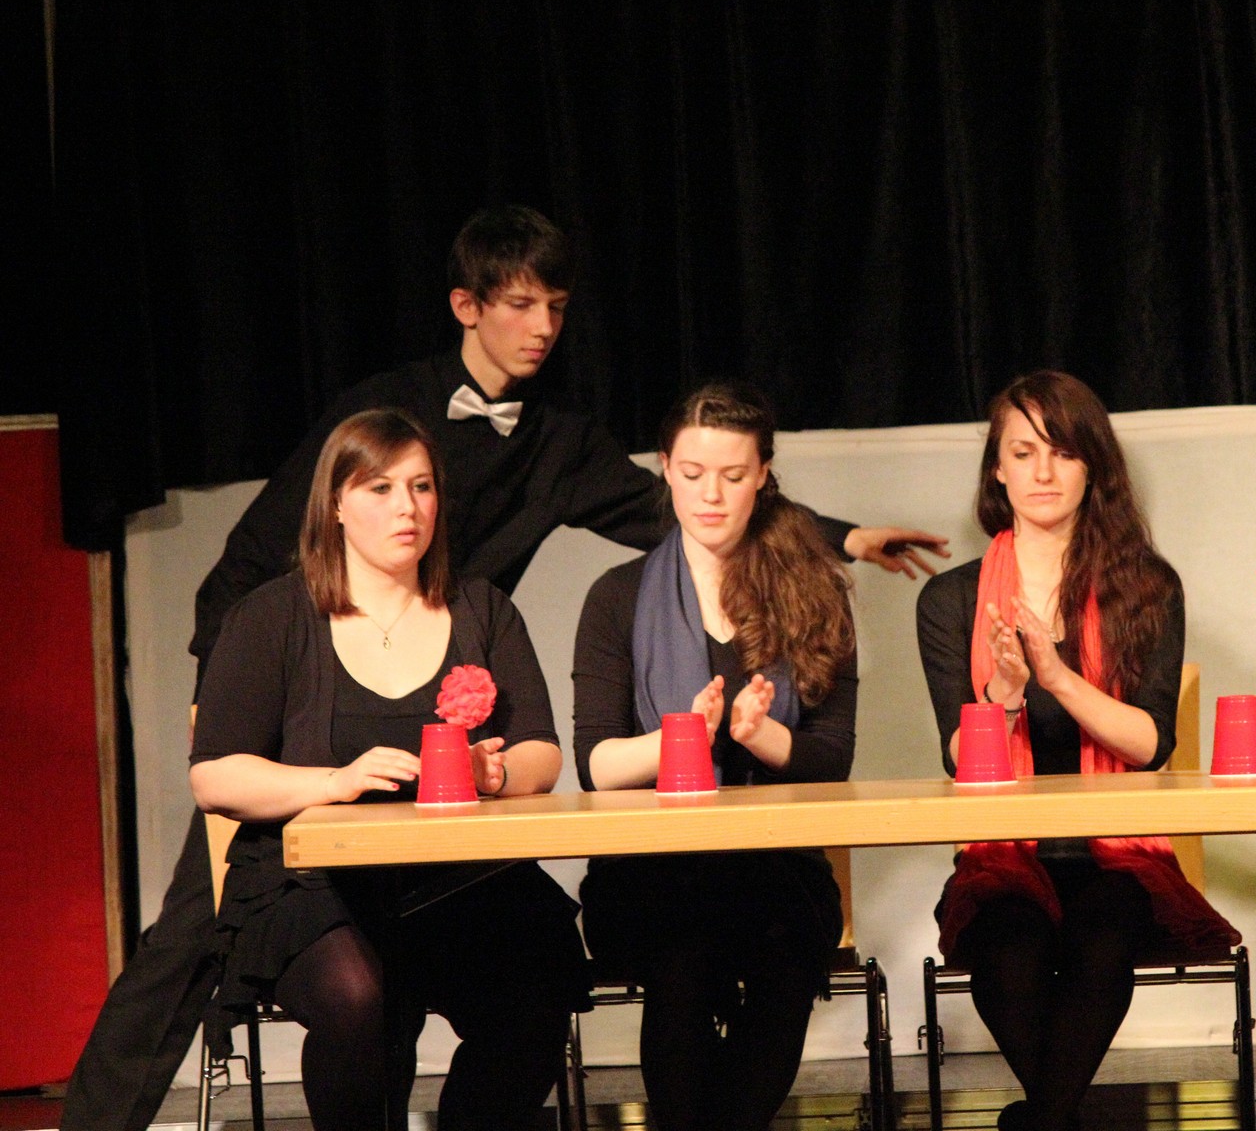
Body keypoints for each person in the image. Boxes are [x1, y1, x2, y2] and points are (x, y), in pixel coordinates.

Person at [61, 205, 946, 1131]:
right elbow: (254, 554)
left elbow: (689, 506)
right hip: (314, 701)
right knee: (195, 933)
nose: (543, 327)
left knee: (493, 961)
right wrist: (230, 694)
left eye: (557, 307)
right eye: (522, 305)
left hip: (446, 708)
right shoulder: (384, 411)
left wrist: (843, 537)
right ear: (467, 306)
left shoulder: (558, 441)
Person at [187, 408, 586, 1130]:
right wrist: (332, 782)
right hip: (312, 886)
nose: (408, 507)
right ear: (336, 504)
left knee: (537, 983)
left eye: (422, 487)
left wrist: (493, 776)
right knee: (358, 996)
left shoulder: (481, 609)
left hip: (457, 877)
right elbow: (214, 775)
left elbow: (541, 751)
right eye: (381, 488)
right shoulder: (273, 616)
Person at [915, 370, 1237, 1131]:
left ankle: (1041, 1121)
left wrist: (1058, 677)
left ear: (1094, 466)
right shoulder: (952, 599)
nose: (1043, 472)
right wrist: (1004, 692)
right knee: (1010, 953)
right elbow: (961, 759)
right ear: (997, 469)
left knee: (1101, 943)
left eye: (1063, 452)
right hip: (1003, 855)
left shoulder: (1146, 587)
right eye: (1022, 452)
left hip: (1116, 857)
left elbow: (1151, 745)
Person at [571, 381, 858, 1131]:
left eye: (733, 476)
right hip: (649, 871)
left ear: (763, 475)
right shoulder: (616, 597)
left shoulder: (815, 592)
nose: (711, 495)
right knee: (684, 954)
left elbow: (832, 761)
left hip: (776, 867)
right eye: (693, 473)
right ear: (665, 469)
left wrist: (762, 736)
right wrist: (683, 738)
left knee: (784, 957)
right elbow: (595, 765)